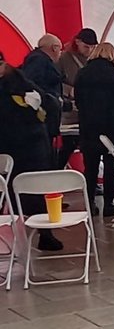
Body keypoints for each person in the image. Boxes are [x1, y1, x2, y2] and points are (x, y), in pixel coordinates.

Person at [0, 50, 61, 251]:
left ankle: (44, 233)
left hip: (28, 148)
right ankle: (43, 233)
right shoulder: (18, 80)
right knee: (28, 190)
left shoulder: (19, 81)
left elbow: (46, 101)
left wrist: (40, 103)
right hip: (24, 146)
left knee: (32, 190)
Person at [74, 43, 114, 218]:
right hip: (111, 126)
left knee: (90, 167)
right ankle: (109, 203)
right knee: (110, 164)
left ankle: (90, 202)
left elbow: (77, 99)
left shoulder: (82, 73)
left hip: (88, 126)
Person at [57, 28, 98, 168]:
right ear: (77, 42)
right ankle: (56, 172)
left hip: (89, 110)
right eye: (87, 46)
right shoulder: (63, 58)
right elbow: (54, 83)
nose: (90, 50)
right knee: (70, 144)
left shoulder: (94, 60)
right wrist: (69, 91)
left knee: (88, 147)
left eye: (93, 47)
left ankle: (89, 178)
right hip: (71, 110)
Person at [20, 34, 64, 145]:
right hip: (42, 116)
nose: (60, 53)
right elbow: (32, 85)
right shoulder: (39, 61)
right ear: (54, 48)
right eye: (60, 48)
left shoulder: (36, 59)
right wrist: (53, 100)